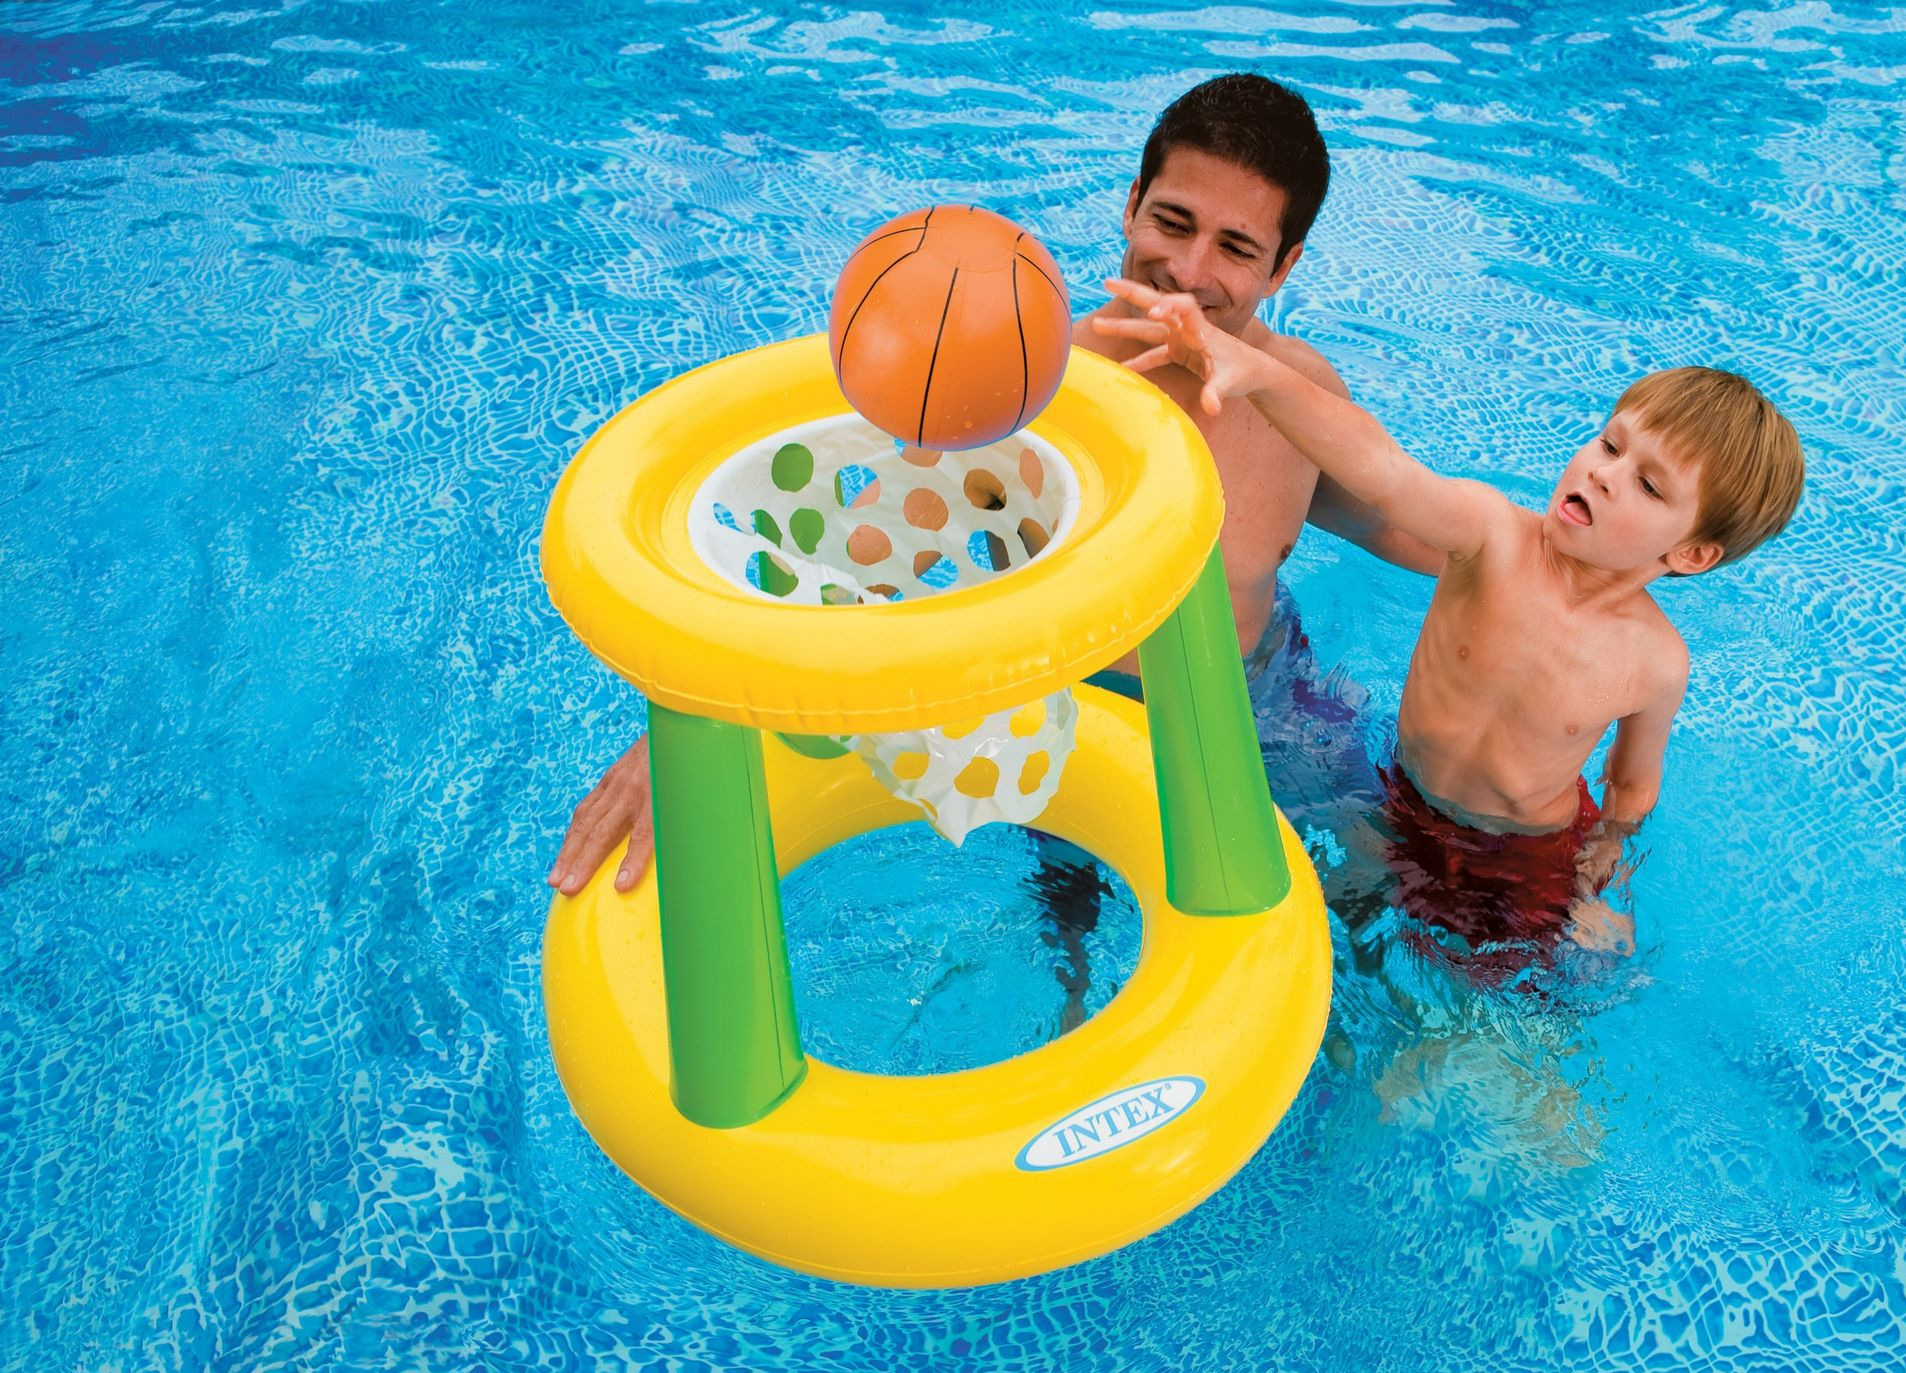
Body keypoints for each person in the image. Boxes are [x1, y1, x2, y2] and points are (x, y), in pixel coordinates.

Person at [548, 73, 1436, 898]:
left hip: (1266, 697)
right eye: (1173, 222)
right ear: (1131, 204)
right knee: (1078, 952)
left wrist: (1526, 574)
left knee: (1388, 902)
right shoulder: (1026, 387)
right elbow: (849, 567)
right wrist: (690, 728)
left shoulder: (1297, 402)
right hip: (1090, 727)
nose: (1190, 273)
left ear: (1283, 267)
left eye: (1236, 247)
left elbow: (1409, 529)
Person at [1092, 277, 1805, 960]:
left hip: (1523, 856)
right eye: (1610, 444)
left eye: (1647, 485)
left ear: (1690, 554)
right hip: (1401, 799)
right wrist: (1260, 374)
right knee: (1324, 930)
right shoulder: (1490, 537)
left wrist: (1602, 867)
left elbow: (1633, 782)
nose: (1603, 473)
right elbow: (1385, 471)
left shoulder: (1655, 662)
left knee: (1493, 1000)